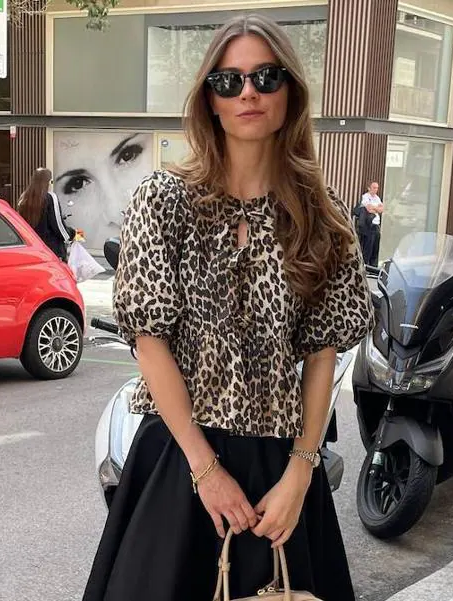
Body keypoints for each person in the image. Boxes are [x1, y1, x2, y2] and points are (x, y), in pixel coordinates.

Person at [82, 14, 374, 601]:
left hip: (281, 465)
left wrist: (301, 472)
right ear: (209, 101)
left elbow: (322, 354)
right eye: (228, 81)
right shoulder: (164, 201)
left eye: (266, 77)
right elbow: (149, 341)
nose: (248, 93)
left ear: (290, 93)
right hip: (181, 458)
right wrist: (206, 469)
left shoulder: (321, 216)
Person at [52, 130, 154, 251]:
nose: (115, 214)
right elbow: (57, 226)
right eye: (78, 184)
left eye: (127, 155)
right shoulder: (49, 199)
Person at [17, 167, 74, 261]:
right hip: (51, 250)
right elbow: (58, 226)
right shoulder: (50, 197)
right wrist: (71, 234)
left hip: (31, 249)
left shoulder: (24, 198)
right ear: (48, 182)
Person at [355, 181, 383, 267]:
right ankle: (366, 265)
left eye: (377, 188)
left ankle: (373, 265)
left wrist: (375, 208)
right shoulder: (365, 197)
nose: (376, 190)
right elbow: (368, 208)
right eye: (374, 188)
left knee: (376, 246)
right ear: (369, 188)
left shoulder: (377, 198)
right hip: (369, 225)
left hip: (376, 224)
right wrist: (376, 208)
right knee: (368, 246)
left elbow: (381, 209)